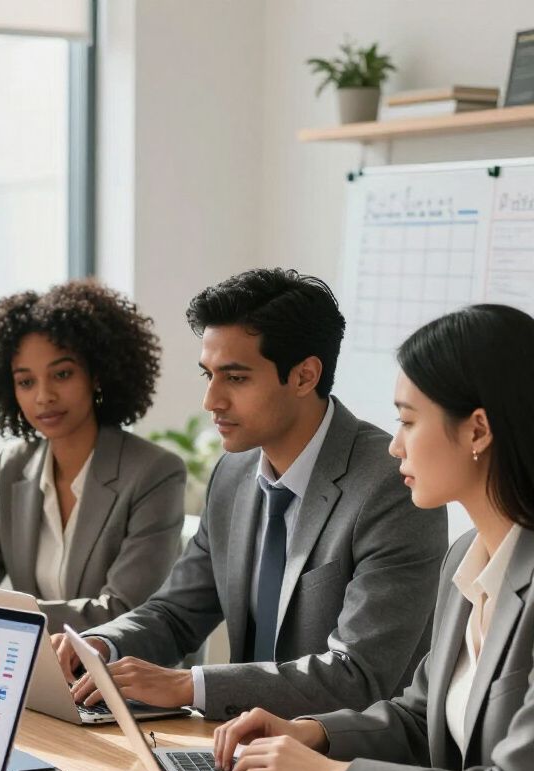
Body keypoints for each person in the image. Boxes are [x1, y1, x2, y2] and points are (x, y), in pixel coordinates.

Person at [210, 304, 534, 771]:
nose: (392, 448)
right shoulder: (469, 558)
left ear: (477, 430)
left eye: (408, 421)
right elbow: (421, 713)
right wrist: (315, 735)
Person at [58, 267, 448, 720]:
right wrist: (99, 645)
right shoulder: (233, 473)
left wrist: (188, 684)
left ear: (304, 376)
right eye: (208, 375)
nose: (211, 401)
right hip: (238, 746)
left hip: (347, 765)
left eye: (236, 378)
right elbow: (177, 612)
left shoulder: (389, 486)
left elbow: (358, 675)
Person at [0, 278, 186, 632]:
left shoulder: (153, 472)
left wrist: (5, 615)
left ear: (97, 376)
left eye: (62, 374)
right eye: (26, 382)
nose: (44, 396)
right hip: (37, 669)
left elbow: (123, 609)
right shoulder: (12, 467)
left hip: (118, 676)